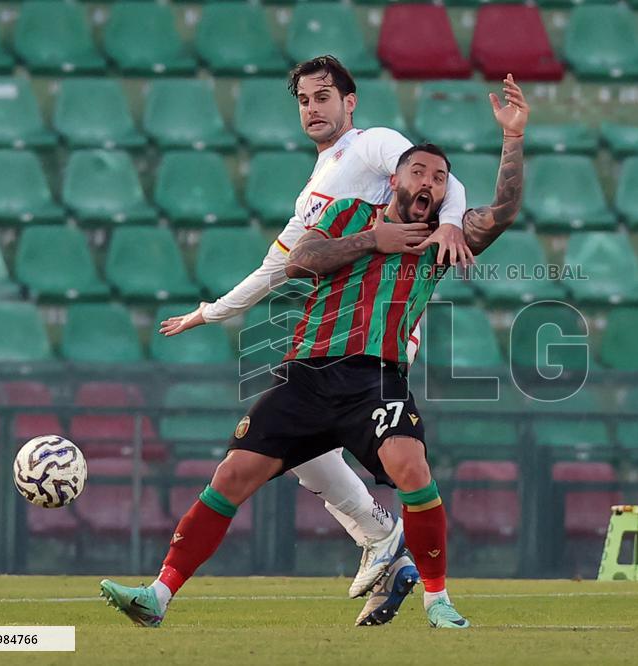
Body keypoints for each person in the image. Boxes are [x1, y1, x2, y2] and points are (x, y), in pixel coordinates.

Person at [99, 74, 529, 630]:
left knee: (412, 468)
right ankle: (158, 594)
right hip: (306, 377)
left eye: (440, 178)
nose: (429, 182)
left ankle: (437, 600)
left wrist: (513, 138)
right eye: (418, 171)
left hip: (376, 378)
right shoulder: (349, 214)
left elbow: (505, 211)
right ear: (393, 177)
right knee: (231, 476)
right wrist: (373, 240)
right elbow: (299, 263)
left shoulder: (441, 239)